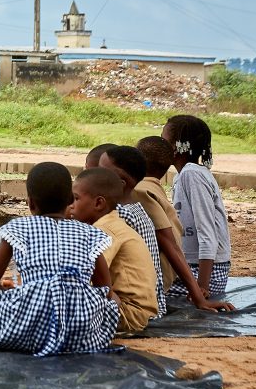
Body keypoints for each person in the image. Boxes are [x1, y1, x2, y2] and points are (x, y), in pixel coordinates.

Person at [0, 162, 119, 356]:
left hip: (23, 334)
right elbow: (106, 291)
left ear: (30, 203)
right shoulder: (90, 233)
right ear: (71, 200)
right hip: (81, 337)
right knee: (115, 300)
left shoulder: (17, 229)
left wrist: (20, 292)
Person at [69, 168, 159, 333]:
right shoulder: (109, 223)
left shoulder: (105, 230)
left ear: (98, 203)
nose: (70, 206)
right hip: (132, 310)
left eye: (75, 199)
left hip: (129, 313)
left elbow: (85, 275)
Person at [162, 115, 233, 297]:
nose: (159, 147)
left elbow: (207, 233)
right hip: (193, 268)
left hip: (206, 275)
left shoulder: (191, 175)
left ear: (178, 146)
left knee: (146, 291)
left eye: (163, 141)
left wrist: (201, 289)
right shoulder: (183, 175)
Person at [98, 145, 166, 318]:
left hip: (137, 307)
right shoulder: (135, 208)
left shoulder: (119, 215)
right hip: (154, 302)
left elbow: (99, 263)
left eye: (100, 171)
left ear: (121, 184)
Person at [133, 136, 184, 291]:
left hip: (156, 282)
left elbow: (170, 245)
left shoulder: (140, 191)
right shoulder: (153, 186)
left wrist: (198, 297)